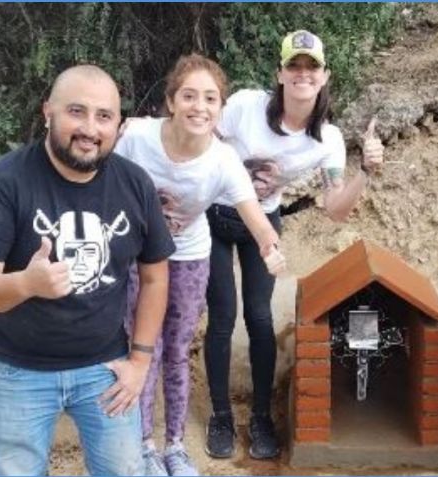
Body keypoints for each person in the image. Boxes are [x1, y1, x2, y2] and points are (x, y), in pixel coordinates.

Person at [0, 65, 176, 476]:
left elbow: (155, 276)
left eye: (104, 116)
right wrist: (27, 283)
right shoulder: (4, 182)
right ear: (48, 112)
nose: (90, 128)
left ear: (119, 126)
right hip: (17, 372)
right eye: (77, 111)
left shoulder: (134, 185)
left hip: (105, 369)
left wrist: (141, 363)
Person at [203, 29, 384, 460]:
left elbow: (336, 207)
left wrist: (366, 173)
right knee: (223, 314)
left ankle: (261, 416)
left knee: (260, 317)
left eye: (312, 67)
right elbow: (200, 136)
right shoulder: (246, 106)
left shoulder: (328, 139)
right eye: (294, 65)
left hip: (263, 221)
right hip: (212, 216)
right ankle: (221, 416)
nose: (303, 74)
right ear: (280, 73)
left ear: (324, 77)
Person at [113, 53, 284, 476]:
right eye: (189, 95)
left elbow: (254, 215)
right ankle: (142, 446)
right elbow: (102, 182)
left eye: (210, 98)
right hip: (137, 258)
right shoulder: (136, 137)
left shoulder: (223, 160)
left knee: (175, 349)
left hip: (189, 256)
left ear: (221, 110)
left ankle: (174, 446)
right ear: (171, 101)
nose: (199, 106)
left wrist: (269, 246)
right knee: (141, 349)